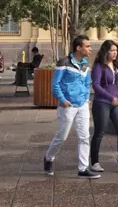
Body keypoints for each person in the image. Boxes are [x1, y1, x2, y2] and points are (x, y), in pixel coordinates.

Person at [44, 35, 99, 179]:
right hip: (67, 105)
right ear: (78, 47)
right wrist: (62, 100)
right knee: (62, 136)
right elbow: (55, 84)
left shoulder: (86, 65)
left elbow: (87, 83)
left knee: (84, 136)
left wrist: (86, 98)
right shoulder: (64, 63)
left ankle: (83, 168)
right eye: (87, 46)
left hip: (82, 104)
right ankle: (49, 158)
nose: (90, 49)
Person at [90, 40, 118, 173]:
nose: (115, 53)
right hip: (102, 103)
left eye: (116, 50)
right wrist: (110, 98)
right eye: (112, 50)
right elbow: (96, 85)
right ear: (105, 51)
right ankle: (95, 162)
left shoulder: (116, 67)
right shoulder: (99, 66)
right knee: (100, 132)